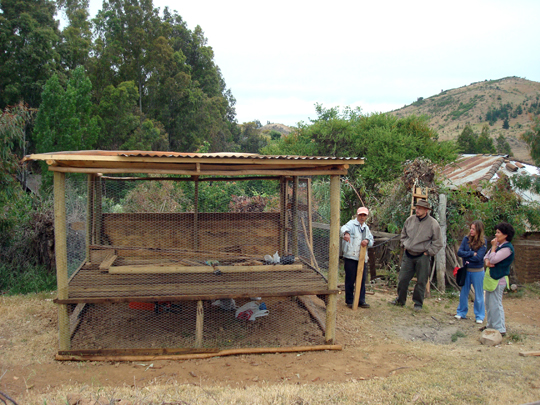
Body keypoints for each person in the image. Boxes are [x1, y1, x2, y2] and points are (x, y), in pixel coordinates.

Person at [391, 199, 443, 310]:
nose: (417, 210)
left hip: (422, 255)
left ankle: (418, 303)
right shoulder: (410, 220)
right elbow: (403, 234)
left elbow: (438, 242)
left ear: (426, 210)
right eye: (417, 208)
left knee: (421, 281)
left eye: (420, 208)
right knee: (402, 279)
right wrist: (404, 244)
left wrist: (428, 252)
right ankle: (400, 300)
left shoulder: (433, 224)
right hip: (408, 254)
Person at [482, 222, 515, 336]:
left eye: (498, 232)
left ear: (505, 235)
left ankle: (500, 328)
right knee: (489, 303)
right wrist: (487, 261)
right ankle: (490, 325)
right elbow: (487, 257)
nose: (496, 235)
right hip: (491, 278)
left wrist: (494, 248)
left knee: (496, 303)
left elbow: (494, 259)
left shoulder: (507, 248)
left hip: (499, 279)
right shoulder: (499, 246)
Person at [340, 207, 374, 308]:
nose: (362, 217)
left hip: (362, 258)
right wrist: (346, 233)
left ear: (367, 217)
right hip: (351, 256)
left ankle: (361, 300)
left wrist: (367, 241)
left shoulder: (366, 228)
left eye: (364, 215)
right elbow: (343, 228)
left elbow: (372, 241)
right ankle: (350, 301)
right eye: (360, 215)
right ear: (357, 215)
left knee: (362, 279)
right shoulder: (351, 224)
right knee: (350, 279)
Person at [455, 220, 488, 323]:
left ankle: (479, 316)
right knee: (464, 292)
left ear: (478, 230)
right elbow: (460, 252)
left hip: (477, 271)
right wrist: (471, 253)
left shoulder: (483, 242)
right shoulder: (466, 239)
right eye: (471, 228)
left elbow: (479, 258)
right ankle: (461, 312)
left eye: (473, 229)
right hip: (466, 269)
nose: (471, 230)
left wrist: (468, 255)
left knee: (478, 295)